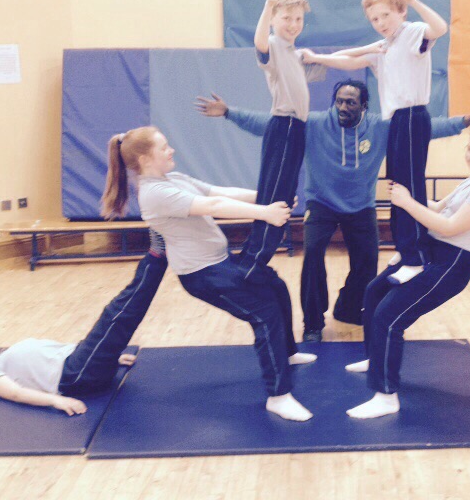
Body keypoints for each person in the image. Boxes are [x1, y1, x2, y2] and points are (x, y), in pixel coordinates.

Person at [195, 80, 470, 342]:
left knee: (368, 261)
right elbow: (271, 124)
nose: (344, 108)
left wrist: (466, 121)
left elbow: (425, 130)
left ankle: (347, 308)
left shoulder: (380, 127)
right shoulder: (314, 123)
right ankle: (313, 324)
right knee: (313, 254)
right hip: (321, 203)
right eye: (340, 102)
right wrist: (229, 113)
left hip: (361, 207)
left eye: (351, 103)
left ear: (364, 106)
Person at [100, 126, 316, 421]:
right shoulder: (155, 193)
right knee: (264, 314)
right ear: (146, 158)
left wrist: (266, 197)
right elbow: (213, 206)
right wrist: (265, 212)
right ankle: (278, 396)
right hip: (203, 275)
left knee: (275, 285)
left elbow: (219, 192)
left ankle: (288, 354)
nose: (171, 150)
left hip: (220, 262)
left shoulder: (171, 178)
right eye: (164, 147)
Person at [345, 123, 470, 419]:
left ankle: (386, 396)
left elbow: (449, 227)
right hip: (433, 252)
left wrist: (407, 203)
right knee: (375, 291)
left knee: (390, 317)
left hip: (450, 265)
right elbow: (440, 208)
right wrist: (405, 196)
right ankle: (376, 358)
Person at [301, 0, 448, 285]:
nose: (380, 23)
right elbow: (348, 59)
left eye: (385, 16)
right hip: (396, 119)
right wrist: (318, 58)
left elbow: (441, 28)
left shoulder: (412, 32)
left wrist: (415, 0)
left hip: (411, 117)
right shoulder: (387, 45)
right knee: (396, 187)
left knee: (409, 188)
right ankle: (405, 248)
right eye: (374, 19)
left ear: (401, 11)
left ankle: (416, 256)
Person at [0, 232, 169, 416]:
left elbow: (56, 352)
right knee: (116, 316)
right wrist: (56, 401)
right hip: (75, 375)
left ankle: (159, 256)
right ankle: (158, 255)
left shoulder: (4, 357)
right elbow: (16, 394)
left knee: (117, 320)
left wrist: (111, 357)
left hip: (82, 363)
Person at [238, 0, 326, 284]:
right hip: (283, 126)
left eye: (298, 18)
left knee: (285, 197)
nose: (293, 24)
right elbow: (260, 42)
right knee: (274, 195)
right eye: (286, 18)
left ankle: (259, 256)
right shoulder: (274, 45)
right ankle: (253, 259)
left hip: (295, 128)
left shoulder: (293, 51)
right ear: (275, 20)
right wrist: (267, 5)